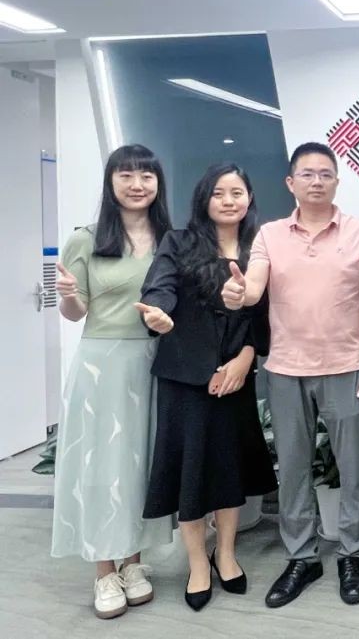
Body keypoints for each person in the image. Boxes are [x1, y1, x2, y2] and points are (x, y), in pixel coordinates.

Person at [221, 142, 359, 608]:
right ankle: (302, 556)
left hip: (347, 367)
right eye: (307, 174)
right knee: (293, 469)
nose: (317, 181)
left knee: (353, 469)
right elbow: (254, 287)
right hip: (286, 371)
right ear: (290, 183)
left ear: (337, 181)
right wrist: (239, 294)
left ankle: (352, 554)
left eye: (325, 174)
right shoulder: (270, 235)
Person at [139, 163, 277, 611]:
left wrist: (245, 358)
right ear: (204, 199)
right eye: (219, 193)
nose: (228, 200)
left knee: (229, 469)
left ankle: (227, 553)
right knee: (192, 473)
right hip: (185, 378)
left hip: (236, 377)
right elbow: (159, 289)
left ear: (249, 198)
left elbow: (265, 315)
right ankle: (198, 562)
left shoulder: (261, 248)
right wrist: (157, 313)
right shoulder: (178, 242)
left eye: (237, 192)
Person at [51, 144, 174, 619]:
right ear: (111, 182)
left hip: (153, 362)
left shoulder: (170, 239)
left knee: (140, 464)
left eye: (146, 175)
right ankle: (104, 569)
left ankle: (133, 562)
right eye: (126, 175)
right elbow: (75, 312)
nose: (137, 184)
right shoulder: (85, 240)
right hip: (102, 365)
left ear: (158, 183)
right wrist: (66, 295)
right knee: (103, 466)